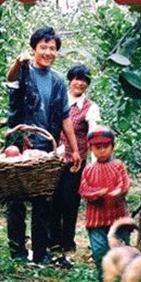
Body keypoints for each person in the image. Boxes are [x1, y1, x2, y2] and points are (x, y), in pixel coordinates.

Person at [5, 27, 81, 265]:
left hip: (46, 144)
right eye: (43, 47)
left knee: (43, 200)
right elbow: (10, 78)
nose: (48, 52)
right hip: (19, 143)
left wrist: (74, 148)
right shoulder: (24, 71)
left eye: (52, 48)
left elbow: (65, 117)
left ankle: (41, 252)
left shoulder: (58, 82)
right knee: (15, 197)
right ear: (34, 49)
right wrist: (18, 62)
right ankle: (17, 250)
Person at [49, 64, 100, 259]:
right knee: (53, 199)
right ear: (69, 80)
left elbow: (93, 134)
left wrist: (95, 164)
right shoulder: (59, 101)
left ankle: (67, 241)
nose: (80, 83)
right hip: (54, 160)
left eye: (84, 80)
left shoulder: (90, 107)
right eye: (76, 79)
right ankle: (52, 240)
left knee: (70, 201)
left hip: (75, 161)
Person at [78, 126, 131, 281]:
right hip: (96, 220)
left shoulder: (118, 165)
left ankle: (124, 277)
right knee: (100, 250)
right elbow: (83, 189)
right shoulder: (88, 169)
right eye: (97, 147)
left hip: (118, 217)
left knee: (122, 249)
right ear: (90, 149)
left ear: (112, 147)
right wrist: (96, 194)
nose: (102, 150)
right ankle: (105, 277)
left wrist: (119, 191)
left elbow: (124, 183)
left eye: (105, 146)